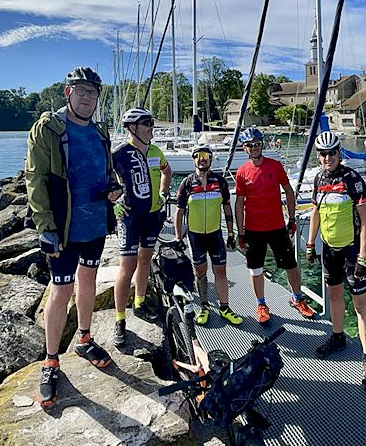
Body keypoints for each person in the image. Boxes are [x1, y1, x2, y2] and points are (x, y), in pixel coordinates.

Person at [25, 67, 122, 407]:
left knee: (89, 280)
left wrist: (113, 190)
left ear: (98, 97)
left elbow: (106, 172)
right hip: (63, 229)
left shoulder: (99, 132)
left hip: (94, 223)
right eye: (80, 90)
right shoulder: (49, 128)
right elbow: (35, 179)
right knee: (61, 288)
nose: (86, 96)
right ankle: (51, 360)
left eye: (92, 92)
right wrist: (45, 227)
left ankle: (84, 337)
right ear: (67, 93)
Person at [306, 131, 366, 388]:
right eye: (323, 154)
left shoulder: (352, 179)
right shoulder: (318, 179)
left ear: (339, 152)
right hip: (329, 250)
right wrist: (310, 244)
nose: (327, 158)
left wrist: (363, 257)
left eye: (332, 153)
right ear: (318, 156)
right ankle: (338, 337)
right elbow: (315, 212)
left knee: (360, 305)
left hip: (351, 250)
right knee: (334, 296)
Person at [233, 126, 316, 325]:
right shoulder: (242, 172)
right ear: (244, 148)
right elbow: (239, 203)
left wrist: (292, 218)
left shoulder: (275, 166)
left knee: (291, 265)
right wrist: (240, 232)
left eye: (257, 144)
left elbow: (288, 191)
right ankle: (261, 304)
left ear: (262, 144)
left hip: (277, 226)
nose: (254, 148)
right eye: (250, 145)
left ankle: (297, 299)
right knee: (256, 269)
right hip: (253, 229)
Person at [110, 107, 172, 346]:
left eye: (151, 122)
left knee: (145, 259)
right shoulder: (120, 153)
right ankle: (119, 319)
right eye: (147, 123)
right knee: (127, 267)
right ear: (132, 128)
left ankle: (139, 302)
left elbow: (167, 172)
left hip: (152, 216)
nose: (151, 127)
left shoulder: (156, 151)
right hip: (129, 218)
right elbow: (102, 178)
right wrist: (113, 203)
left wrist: (164, 193)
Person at [175, 144, 242, 326]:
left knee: (220, 272)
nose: (202, 158)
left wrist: (230, 233)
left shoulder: (220, 182)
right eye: (198, 155)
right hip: (196, 237)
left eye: (206, 155)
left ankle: (225, 308)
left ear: (211, 159)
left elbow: (227, 207)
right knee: (200, 272)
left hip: (215, 235)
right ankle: (204, 306)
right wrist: (178, 237)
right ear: (193, 159)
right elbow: (179, 212)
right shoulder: (187, 183)